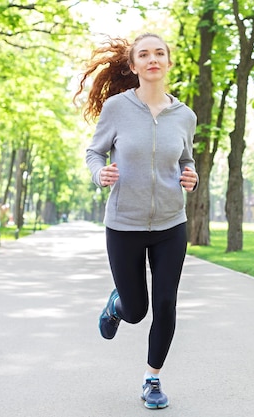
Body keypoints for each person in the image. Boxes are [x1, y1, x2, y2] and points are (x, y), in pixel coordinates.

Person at [74, 33, 198, 410]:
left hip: (170, 224)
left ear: (168, 63)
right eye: (143, 54)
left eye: (159, 53)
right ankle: (117, 306)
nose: (152, 59)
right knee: (137, 309)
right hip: (124, 224)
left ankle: (152, 380)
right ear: (133, 66)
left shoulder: (185, 115)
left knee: (166, 303)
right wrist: (101, 174)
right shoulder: (116, 108)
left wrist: (191, 175)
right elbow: (94, 152)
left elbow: (186, 160)